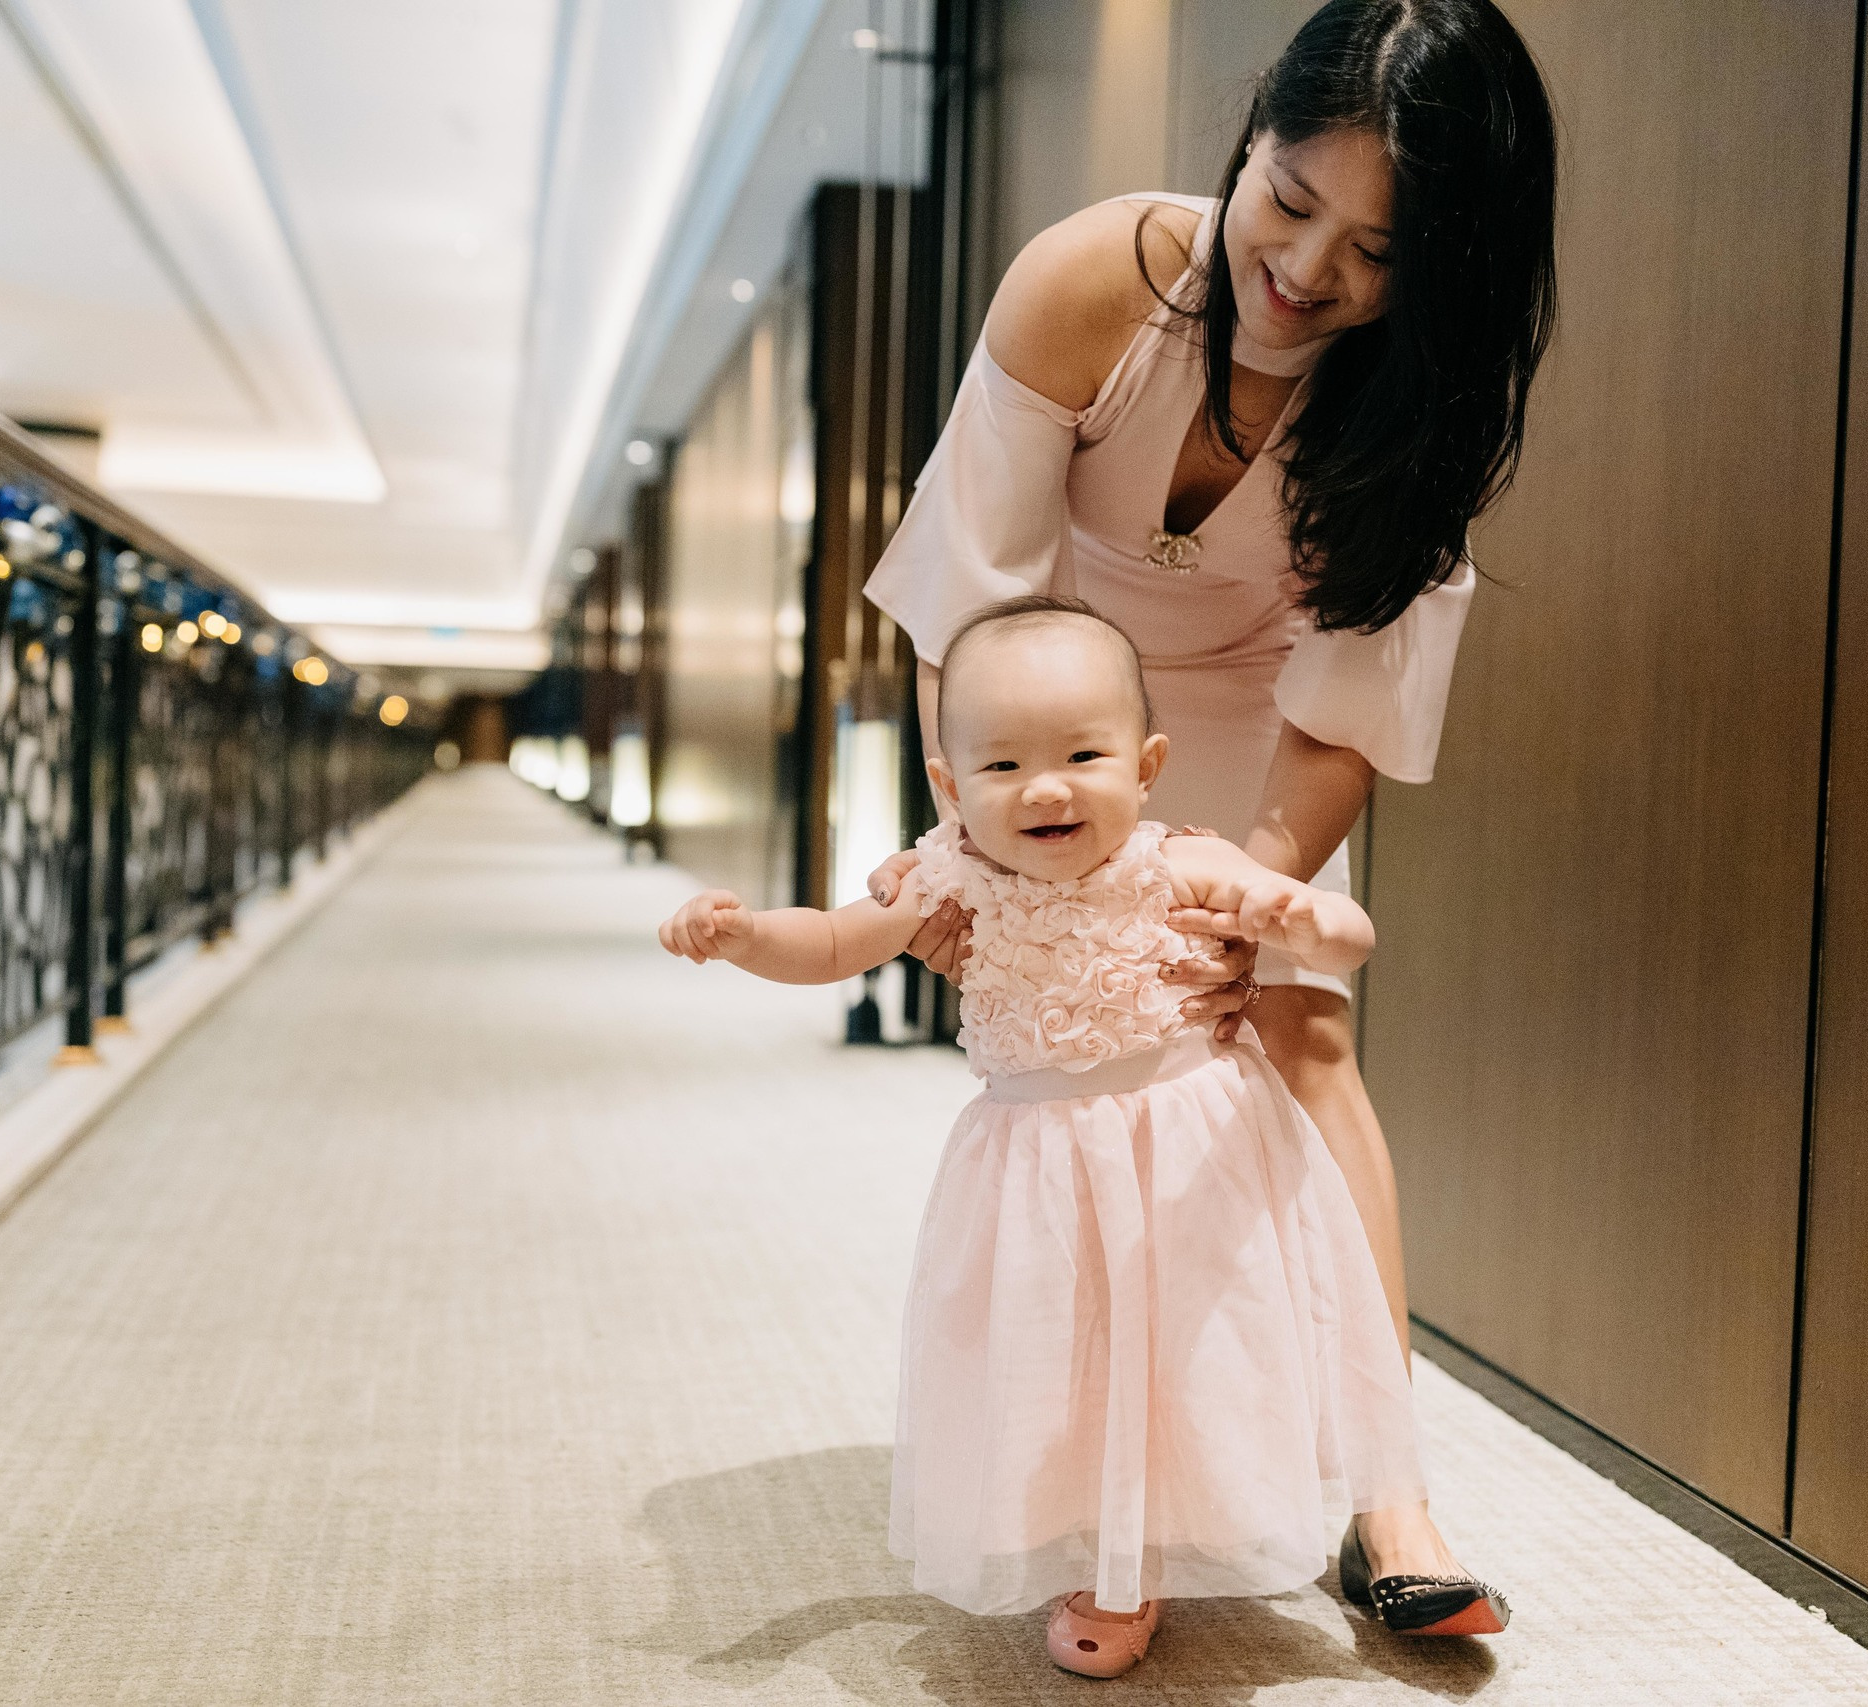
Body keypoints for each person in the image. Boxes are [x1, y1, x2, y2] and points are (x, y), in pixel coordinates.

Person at [861, 0, 1555, 1590]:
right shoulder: (1094, 284)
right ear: (1249, 141)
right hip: (1041, 680)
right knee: (1080, 1079)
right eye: (1292, 201)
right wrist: (983, 838)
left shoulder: (1425, 408)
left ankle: (1389, 1498)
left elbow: (1346, 700)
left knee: (1296, 1029)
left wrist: (1245, 891)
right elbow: (971, 602)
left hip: (1253, 712)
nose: (1311, 272)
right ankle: (1071, 1468)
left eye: (1378, 252)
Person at [661, 599, 1510, 1677]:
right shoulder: (947, 878)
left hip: (1191, 1163)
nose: (1046, 785)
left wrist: (1306, 921)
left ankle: (1192, 1528)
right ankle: (1103, 1565)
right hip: (1038, 1177)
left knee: (1195, 1348)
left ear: (1147, 763)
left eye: (1081, 754)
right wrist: (742, 938)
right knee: (1066, 1353)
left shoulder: (1178, 864)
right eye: (1004, 763)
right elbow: (831, 943)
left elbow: (1328, 924)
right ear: (951, 786)